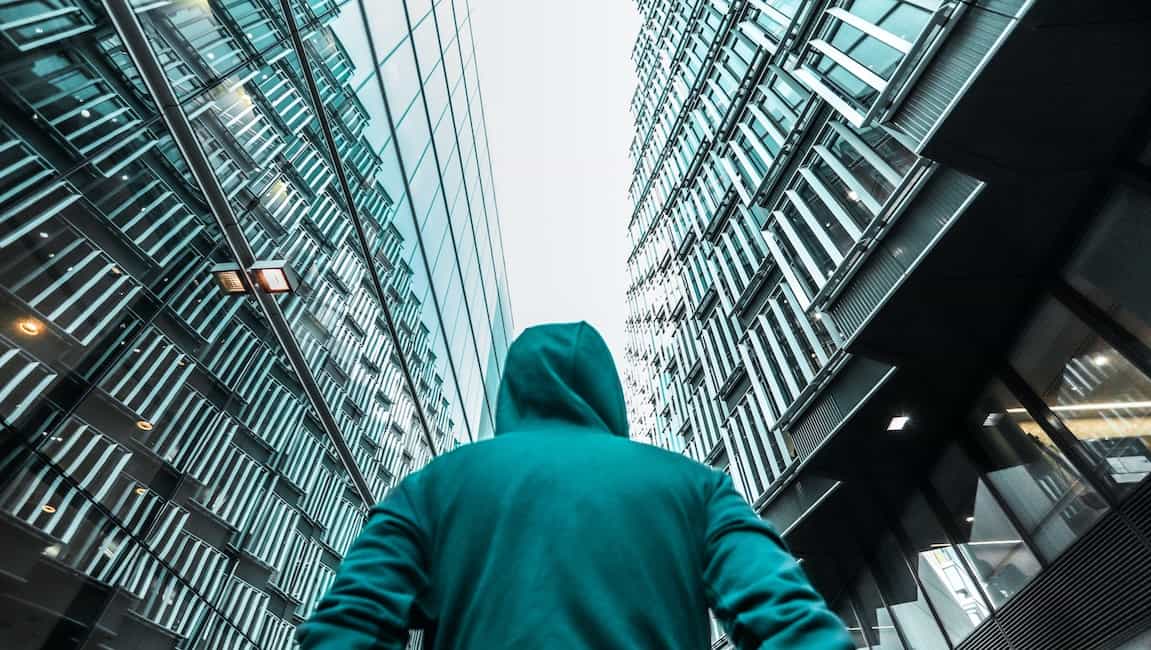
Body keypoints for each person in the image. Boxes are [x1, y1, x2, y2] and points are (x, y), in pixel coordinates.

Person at [297, 322, 852, 649]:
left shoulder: (432, 488)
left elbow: (347, 626)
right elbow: (792, 623)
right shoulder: (697, 488)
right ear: (605, 392)